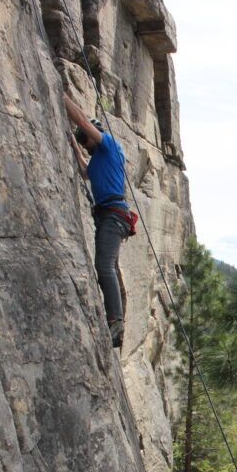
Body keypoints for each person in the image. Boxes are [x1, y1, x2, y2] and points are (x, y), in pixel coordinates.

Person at [63, 93, 138, 348]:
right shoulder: (96, 161)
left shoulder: (109, 146)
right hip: (108, 216)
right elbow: (85, 172)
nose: (86, 145)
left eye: (86, 141)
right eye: (84, 144)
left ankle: (115, 322)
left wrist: (61, 96)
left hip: (114, 215)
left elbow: (84, 123)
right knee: (108, 266)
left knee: (104, 265)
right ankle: (114, 318)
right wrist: (73, 145)